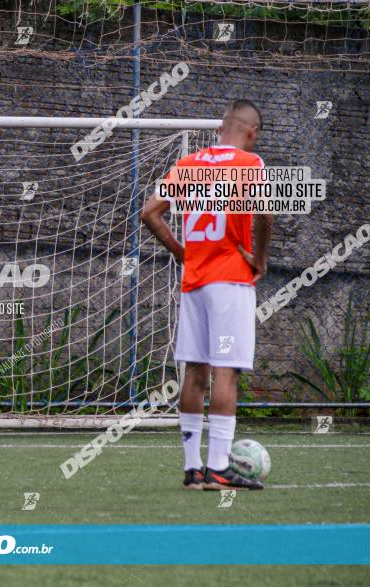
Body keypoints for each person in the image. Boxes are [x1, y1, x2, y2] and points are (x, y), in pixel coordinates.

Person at [140, 100, 273, 490]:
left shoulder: (188, 165)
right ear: (252, 132)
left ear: (220, 127)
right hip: (230, 282)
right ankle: (218, 467)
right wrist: (260, 260)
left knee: (195, 371)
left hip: (195, 283)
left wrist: (183, 254)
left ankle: (192, 469)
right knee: (226, 371)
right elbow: (266, 215)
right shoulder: (251, 165)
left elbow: (150, 213)